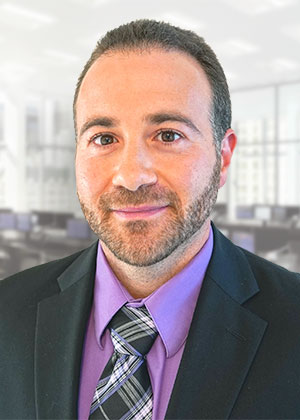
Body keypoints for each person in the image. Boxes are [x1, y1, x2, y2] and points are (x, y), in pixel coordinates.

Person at [1, 19, 300, 420]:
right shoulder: (8, 312)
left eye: (168, 135)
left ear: (223, 156)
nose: (131, 175)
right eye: (104, 139)